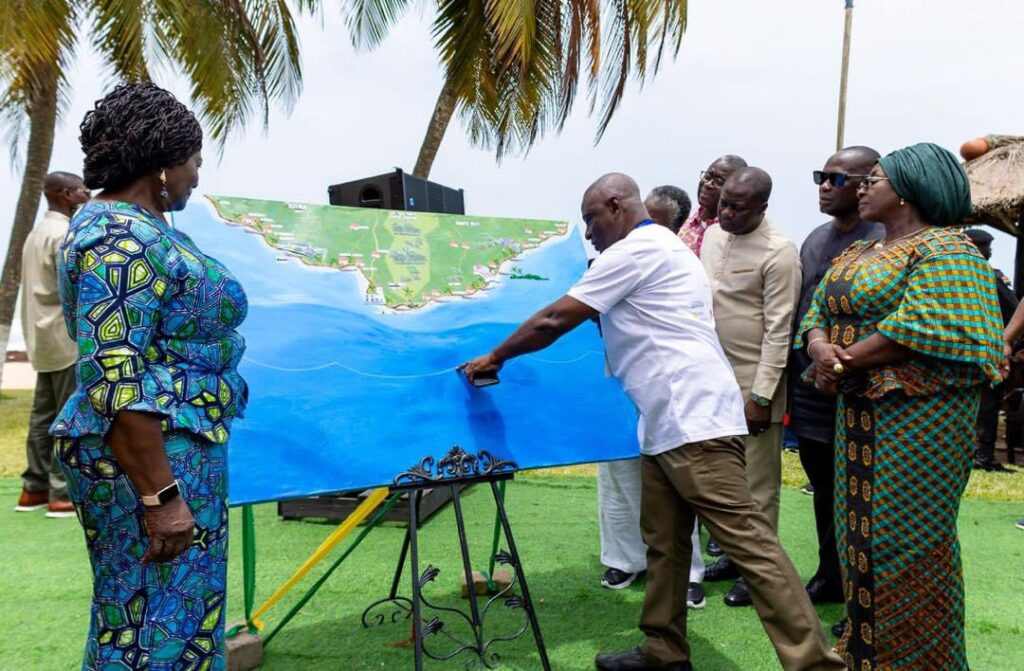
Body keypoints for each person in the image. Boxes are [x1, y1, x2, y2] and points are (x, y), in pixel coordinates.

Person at [461, 173, 845, 671]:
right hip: (667, 421)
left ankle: (816, 664)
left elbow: (554, 319)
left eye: (591, 220)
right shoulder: (667, 247)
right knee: (665, 544)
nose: (589, 234)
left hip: (693, 421)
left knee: (752, 547)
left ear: (615, 205)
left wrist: (494, 357)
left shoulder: (636, 251)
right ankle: (664, 651)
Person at [53, 82, 248, 670]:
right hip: (150, 456)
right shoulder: (118, 237)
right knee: (151, 620)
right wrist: (161, 497)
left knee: (172, 615)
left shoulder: (137, 226)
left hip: (169, 449)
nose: (196, 178)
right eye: (194, 163)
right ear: (164, 163)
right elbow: (114, 375)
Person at [798, 143, 1003, 670]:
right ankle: (864, 654)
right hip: (858, 420)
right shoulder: (861, 251)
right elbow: (817, 307)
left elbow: (927, 326)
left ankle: (919, 661)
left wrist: (840, 360)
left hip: (919, 425)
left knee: (905, 544)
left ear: (910, 189)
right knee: (859, 539)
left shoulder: (948, 251)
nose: (863, 187)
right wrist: (819, 348)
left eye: (875, 179)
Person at [595, 185, 706, 610]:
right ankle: (624, 558)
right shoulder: (611, 258)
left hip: (665, 385)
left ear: (672, 228)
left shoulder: (675, 259)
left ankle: (689, 571)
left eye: (653, 220)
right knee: (617, 475)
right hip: (617, 381)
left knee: (675, 483)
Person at [699, 167, 801, 608]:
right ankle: (734, 557)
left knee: (757, 488)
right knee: (720, 483)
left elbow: (780, 330)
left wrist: (760, 398)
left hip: (753, 390)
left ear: (762, 207)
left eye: (737, 208)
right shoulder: (712, 236)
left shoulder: (780, 251)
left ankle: (759, 576)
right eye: (723, 203)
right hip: (708, 382)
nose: (726, 213)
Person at [789, 147, 884, 610]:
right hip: (810, 381)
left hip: (862, 383)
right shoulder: (814, 239)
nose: (825, 186)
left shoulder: (884, 240)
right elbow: (807, 310)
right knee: (824, 486)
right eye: (821, 177)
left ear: (867, 183)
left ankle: (864, 593)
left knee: (863, 492)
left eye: (837, 179)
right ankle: (831, 575)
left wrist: (842, 360)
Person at [15, 171, 90, 518]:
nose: (87, 196)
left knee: (42, 415)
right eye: (82, 191)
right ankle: (61, 493)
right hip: (63, 336)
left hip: (41, 337)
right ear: (65, 194)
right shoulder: (63, 235)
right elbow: (74, 287)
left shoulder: (37, 233)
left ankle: (33, 488)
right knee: (68, 415)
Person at [964, 228, 1018, 472]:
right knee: (986, 403)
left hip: (981, 350)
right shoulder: (986, 276)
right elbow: (1012, 307)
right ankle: (982, 455)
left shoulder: (974, 276)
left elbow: (1012, 308)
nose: (990, 251)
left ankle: (980, 454)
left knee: (984, 403)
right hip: (985, 350)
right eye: (985, 247)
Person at [676, 155, 747, 256]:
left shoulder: (734, 234)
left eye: (719, 181)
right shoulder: (684, 225)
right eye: (707, 177)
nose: (708, 184)